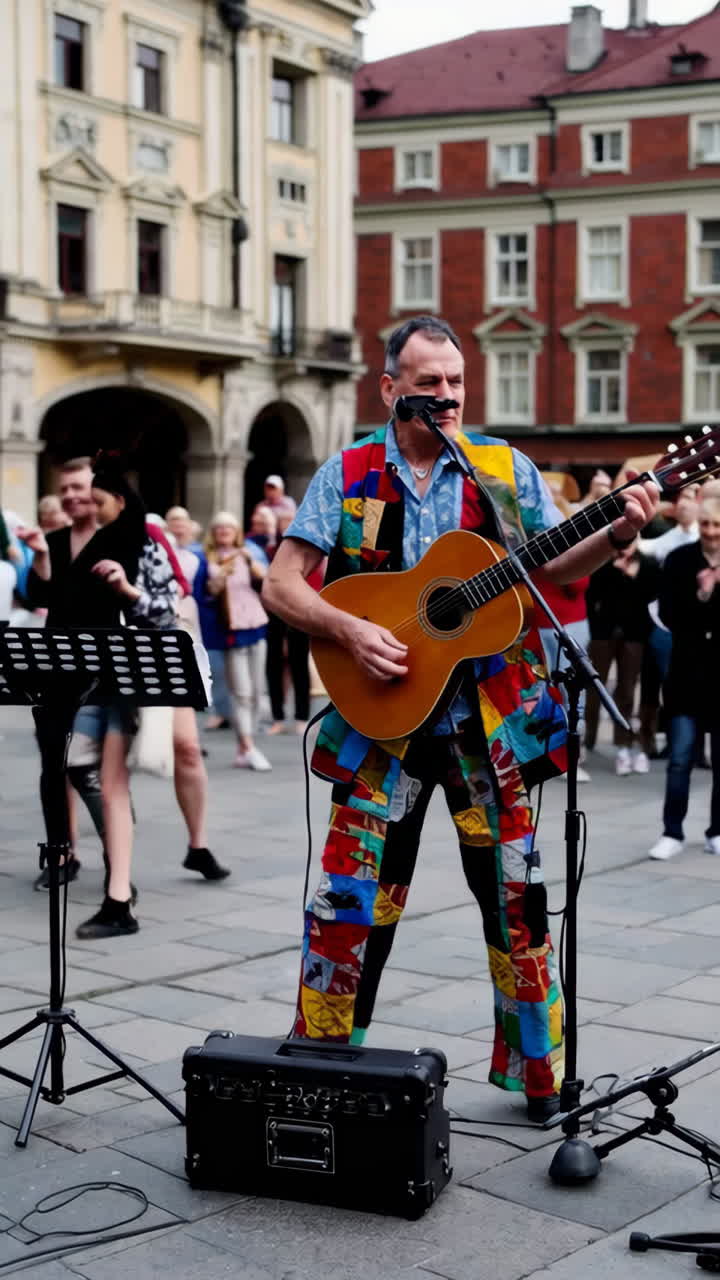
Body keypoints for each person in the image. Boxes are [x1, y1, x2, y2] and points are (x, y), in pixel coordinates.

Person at [262, 314, 659, 1121]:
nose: (445, 396)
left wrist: (615, 532)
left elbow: (550, 569)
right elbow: (283, 584)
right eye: (428, 382)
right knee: (349, 899)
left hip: (491, 728)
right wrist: (347, 628)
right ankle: (323, 1062)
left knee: (517, 900)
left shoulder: (500, 469)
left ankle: (539, 1077)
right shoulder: (347, 472)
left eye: (455, 382)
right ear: (390, 389)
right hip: (380, 725)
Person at [22, 458, 148, 937]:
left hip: (103, 669)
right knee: (53, 763)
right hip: (54, 666)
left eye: (80, 487)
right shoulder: (54, 540)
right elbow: (38, 593)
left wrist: (110, 467)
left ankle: (119, 870)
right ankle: (61, 855)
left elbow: (132, 513)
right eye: (65, 489)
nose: (72, 496)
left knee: (92, 773)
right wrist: (37, 554)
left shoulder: (121, 535)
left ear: (98, 492)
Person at [648, 496, 720, 861]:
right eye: (706, 524)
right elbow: (670, 615)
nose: (710, 532)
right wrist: (701, 594)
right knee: (679, 758)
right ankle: (671, 830)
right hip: (686, 674)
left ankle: (717, 829)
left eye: (716, 526)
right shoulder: (679, 560)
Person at [195, 512, 272, 770]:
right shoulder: (206, 558)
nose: (224, 532)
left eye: (229, 528)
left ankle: (244, 746)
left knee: (256, 689)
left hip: (256, 625)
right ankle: (248, 745)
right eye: (219, 528)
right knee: (241, 692)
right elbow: (209, 592)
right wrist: (220, 574)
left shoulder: (250, 552)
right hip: (231, 629)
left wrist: (250, 562)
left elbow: (266, 581)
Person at [584, 538, 660, 775]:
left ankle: (623, 742)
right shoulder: (603, 563)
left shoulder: (647, 565)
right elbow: (591, 595)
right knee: (595, 686)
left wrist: (633, 576)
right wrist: (613, 568)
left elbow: (652, 599)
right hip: (603, 633)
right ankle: (588, 738)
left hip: (634, 635)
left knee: (627, 689)